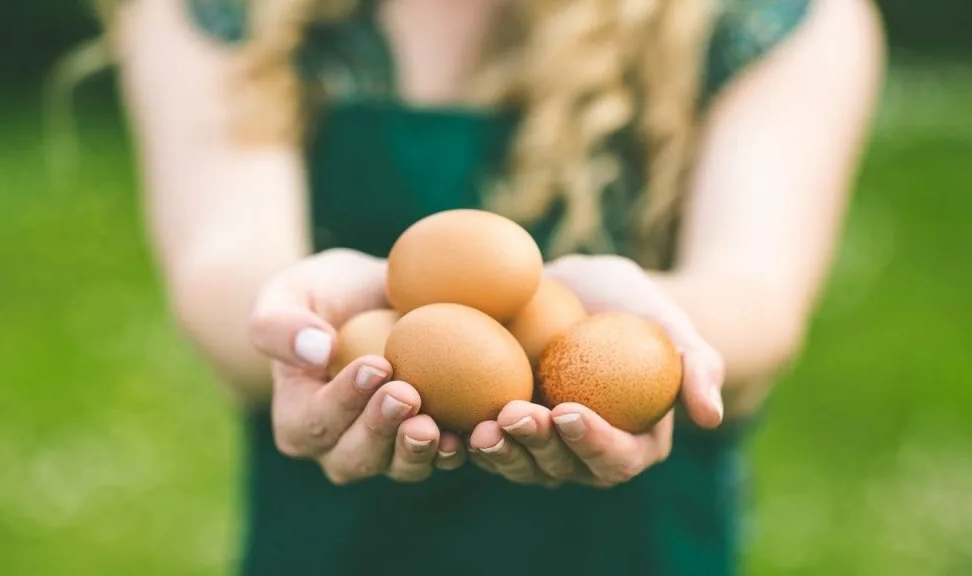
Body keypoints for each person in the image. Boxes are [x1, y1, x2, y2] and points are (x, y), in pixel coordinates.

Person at [99, 0, 884, 573]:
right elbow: (223, 263)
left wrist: (652, 338)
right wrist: (307, 325)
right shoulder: (230, 15)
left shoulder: (767, 20)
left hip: (627, 547)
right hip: (339, 543)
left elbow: (756, 293)